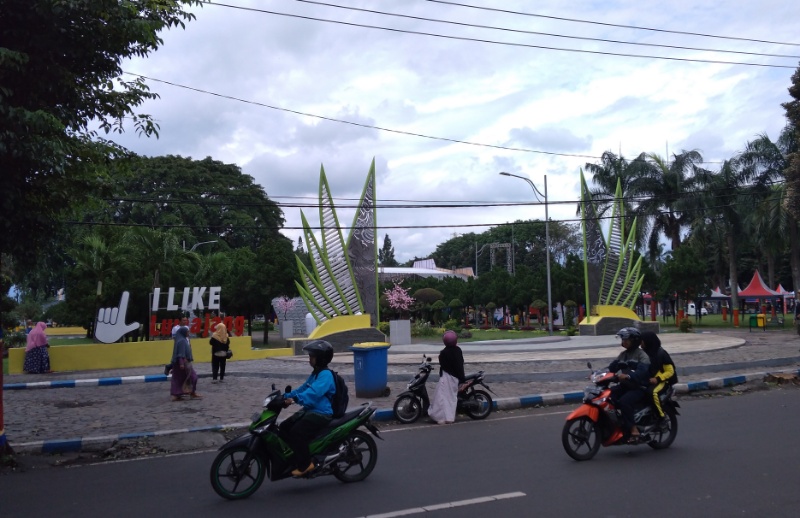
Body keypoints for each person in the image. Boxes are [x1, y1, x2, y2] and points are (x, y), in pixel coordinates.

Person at [280, 340, 336, 477]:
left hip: (321, 413)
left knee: (296, 432)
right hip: (310, 411)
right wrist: (285, 396)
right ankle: (296, 456)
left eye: (312, 356)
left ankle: (306, 464)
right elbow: (303, 389)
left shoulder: (326, 375)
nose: (309, 359)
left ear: (321, 358)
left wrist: (295, 399)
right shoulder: (316, 373)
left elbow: (314, 393)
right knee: (283, 427)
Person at [608, 327, 650, 443]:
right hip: (626, 386)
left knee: (624, 402)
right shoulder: (623, 355)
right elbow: (611, 367)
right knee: (609, 396)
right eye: (623, 339)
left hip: (639, 387)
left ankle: (633, 429)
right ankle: (617, 424)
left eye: (627, 339)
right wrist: (599, 374)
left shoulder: (642, 355)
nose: (624, 341)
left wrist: (629, 376)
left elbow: (642, 372)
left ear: (635, 340)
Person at [428, 330, 466, 425]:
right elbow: (460, 365)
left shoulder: (443, 353)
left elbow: (443, 365)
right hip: (456, 378)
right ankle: (448, 417)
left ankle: (445, 417)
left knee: (442, 398)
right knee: (450, 398)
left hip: (447, 377)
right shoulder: (458, 350)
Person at [641, 331, 677, 423]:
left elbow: (670, 371)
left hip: (663, 381)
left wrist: (657, 379)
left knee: (652, 393)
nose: (641, 343)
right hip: (649, 380)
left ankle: (661, 416)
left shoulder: (661, 353)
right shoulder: (644, 353)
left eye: (642, 341)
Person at [170, 326, 201, 401]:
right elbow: (180, 354)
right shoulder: (182, 341)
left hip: (183, 364)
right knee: (192, 377)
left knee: (182, 379)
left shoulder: (182, 340)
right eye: (187, 332)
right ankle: (179, 395)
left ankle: (189, 393)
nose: (188, 333)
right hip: (183, 364)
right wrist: (181, 363)